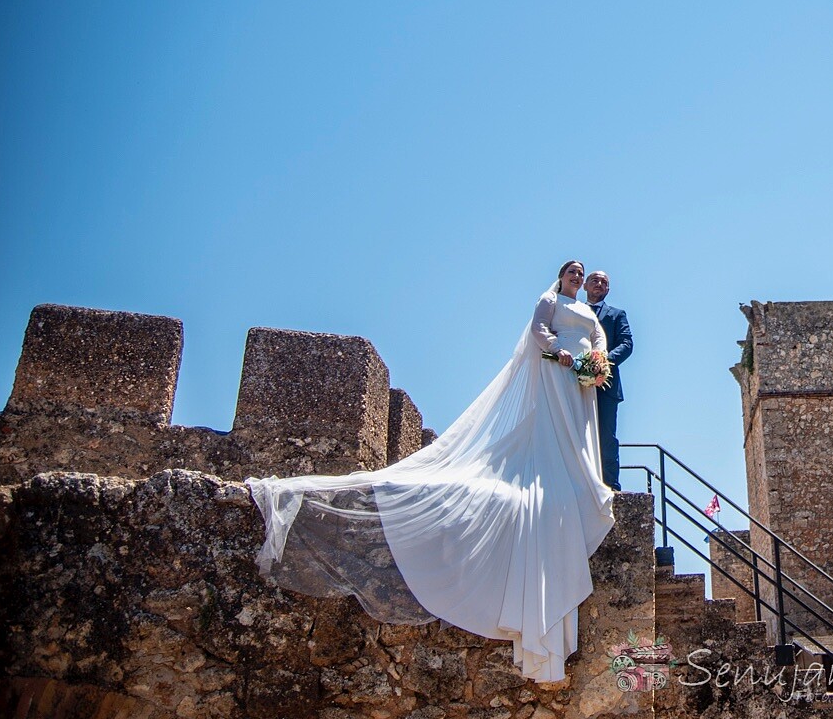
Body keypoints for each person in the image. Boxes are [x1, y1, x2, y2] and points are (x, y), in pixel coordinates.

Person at [246, 260, 615, 683]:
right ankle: (557, 469)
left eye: (580, 274)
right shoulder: (550, 299)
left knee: (580, 433)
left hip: (582, 378)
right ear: (562, 275)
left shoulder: (587, 311)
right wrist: (557, 350)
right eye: (572, 272)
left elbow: (600, 336)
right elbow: (538, 330)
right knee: (554, 429)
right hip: (557, 368)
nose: (576, 278)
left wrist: (596, 360)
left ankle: (577, 473)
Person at [583, 270, 633, 491]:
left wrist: (602, 361)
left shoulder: (617, 314)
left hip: (607, 383)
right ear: (585, 285)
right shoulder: (570, 311)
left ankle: (609, 484)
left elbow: (627, 343)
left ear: (608, 289)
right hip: (571, 381)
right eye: (595, 280)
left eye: (604, 282)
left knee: (606, 436)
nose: (599, 284)